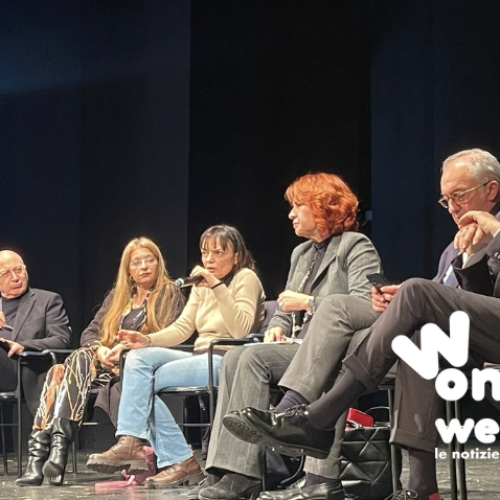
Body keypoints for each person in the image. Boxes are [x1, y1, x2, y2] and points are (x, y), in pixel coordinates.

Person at [246, 148, 500, 500]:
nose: (453, 206)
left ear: (491, 189)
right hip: (467, 340)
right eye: (446, 200)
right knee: (416, 335)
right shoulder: (454, 248)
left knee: (411, 293)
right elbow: (460, 300)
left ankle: (322, 413)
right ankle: (423, 488)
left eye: (459, 195)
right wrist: (402, 304)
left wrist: (498, 238)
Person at [188, 173, 382, 500]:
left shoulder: (355, 245)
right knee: (236, 357)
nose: (291, 214)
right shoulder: (301, 254)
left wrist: (311, 303)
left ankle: (244, 473)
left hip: (333, 350)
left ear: (322, 207)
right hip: (296, 346)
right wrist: (277, 324)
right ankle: (225, 469)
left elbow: (368, 306)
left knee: (249, 358)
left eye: (298, 206)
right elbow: (284, 307)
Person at [86, 224, 266, 490]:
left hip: (229, 360)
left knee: (139, 382)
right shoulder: (202, 286)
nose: (210, 260)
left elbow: (240, 328)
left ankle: (171, 457)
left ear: (236, 255)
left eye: (218, 253)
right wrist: (147, 340)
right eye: (206, 253)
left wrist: (217, 286)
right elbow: (183, 328)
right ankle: (139, 444)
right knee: (137, 359)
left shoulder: (245, 278)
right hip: (199, 356)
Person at [16, 237, 183, 487]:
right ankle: (48, 454)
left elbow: (169, 336)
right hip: (100, 366)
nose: (144, 266)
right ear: (128, 270)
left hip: (135, 366)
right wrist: (100, 349)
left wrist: (123, 348)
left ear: (159, 264)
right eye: (137, 262)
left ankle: (46, 457)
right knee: (61, 369)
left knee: (67, 367)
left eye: (150, 260)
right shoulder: (118, 297)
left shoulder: (170, 294)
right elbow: (89, 334)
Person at [0, 249, 70, 413]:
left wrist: (23, 346)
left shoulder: (47, 301)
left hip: (25, 371)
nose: (16, 277)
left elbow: (61, 339)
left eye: (18, 270)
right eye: (5, 273)